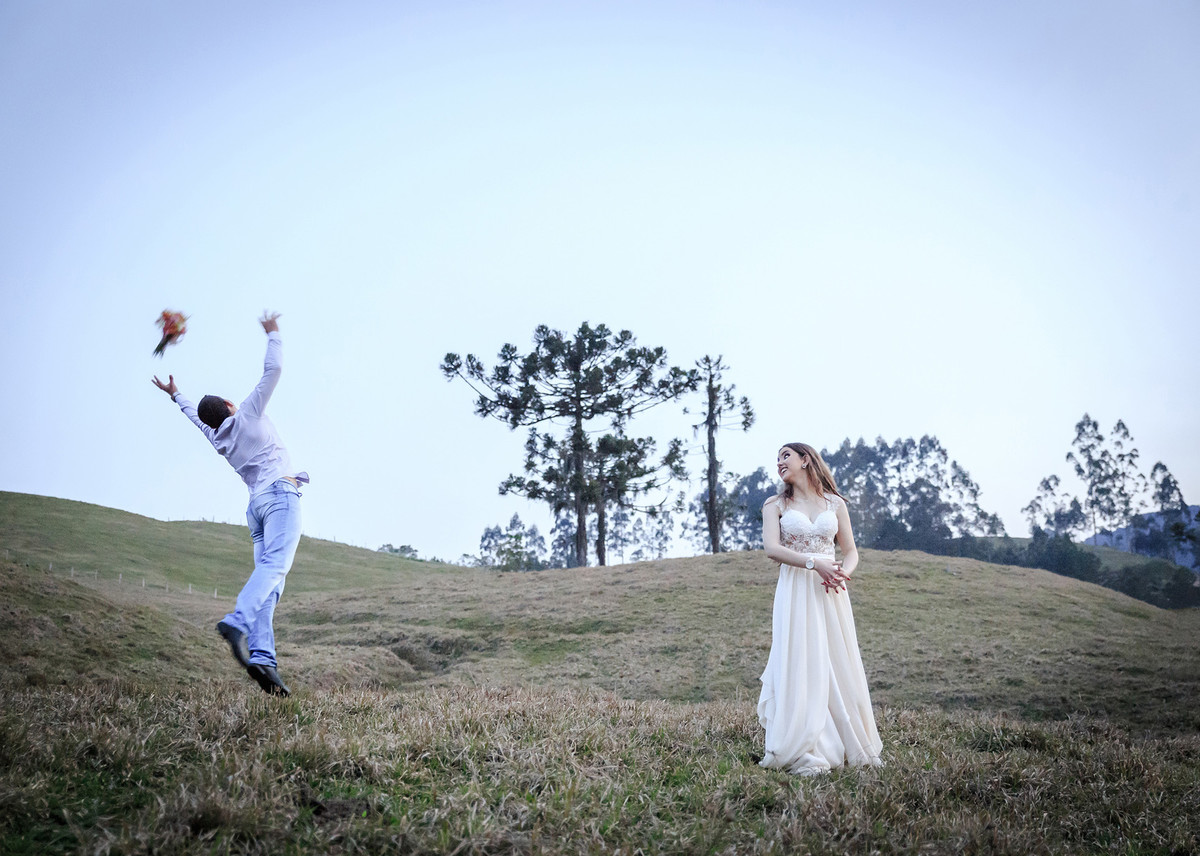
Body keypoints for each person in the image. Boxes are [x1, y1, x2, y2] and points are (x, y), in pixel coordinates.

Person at [152, 312, 308, 697]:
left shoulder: (218, 438)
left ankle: (263, 659)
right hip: (280, 497)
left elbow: (195, 417)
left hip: (255, 510)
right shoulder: (249, 414)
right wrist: (273, 333)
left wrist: (176, 395)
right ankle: (238, 620)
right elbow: (274, 369)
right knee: (276, 567)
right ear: (229, 403)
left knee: (271, 585)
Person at [757, 442, 882, 775]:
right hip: (796, 588)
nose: (780, 463)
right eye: (777, 459)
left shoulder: (834, 503)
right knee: (801, 660)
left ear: (805, 459)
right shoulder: (775, 504)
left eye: (786, 456)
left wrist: (842, 573)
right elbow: (771, 548)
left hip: (831, 589)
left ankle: (844, 741)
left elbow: (852, 551)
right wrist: (815, 564)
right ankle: (804, 742)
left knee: (838, 661)